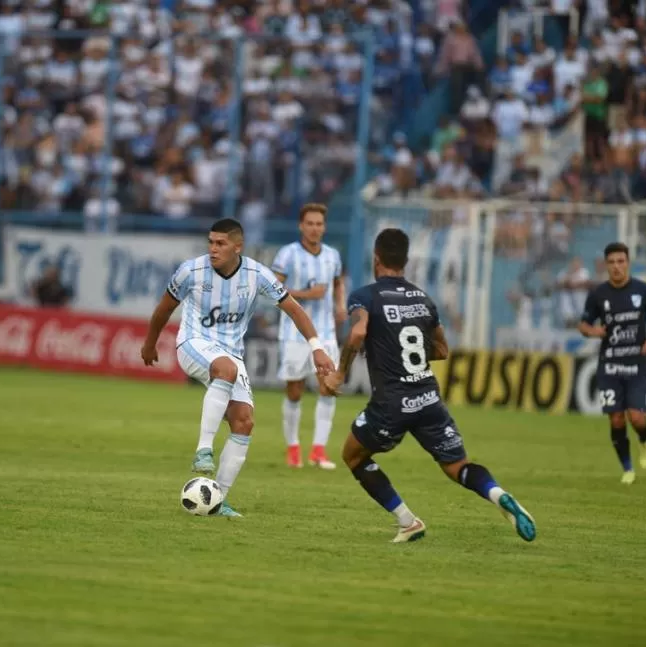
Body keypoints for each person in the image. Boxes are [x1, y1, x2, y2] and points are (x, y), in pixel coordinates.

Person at [321, 228, 536, 543]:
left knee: (353, 456)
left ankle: (407, 521)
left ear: (376, 258)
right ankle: (497, 493)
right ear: (405, 261)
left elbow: (357, 334)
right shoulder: (423, 299)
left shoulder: (365, 296)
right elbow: (442, 350)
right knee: (457, 466)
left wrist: (339, 374)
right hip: (428, 397)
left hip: (391, 402)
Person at [142, 218, 335, 518]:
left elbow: (295, 309)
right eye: (210, 242)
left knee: (244, 422)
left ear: (237, 246)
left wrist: (317, 349)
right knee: (226, 370)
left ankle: (218, 499)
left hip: (231, 354)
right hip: (193, 343)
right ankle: (203, 451)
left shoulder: (257, 275)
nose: (213, 249)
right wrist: (150, 344)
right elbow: (163, 309)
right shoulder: (190, 271)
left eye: (220, 243)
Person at [578, 242, 646, 485]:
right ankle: (627, 468)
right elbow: (583, 324)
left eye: (621, 261)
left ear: (628, 263)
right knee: (616, 419)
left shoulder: (644, 291)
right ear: (606, 265)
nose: (616, 267)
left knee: (637, 418)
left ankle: (645, 441)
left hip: (637, 365)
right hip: (609, 366)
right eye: (612, 262)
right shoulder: (598, 295)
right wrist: (594, 331)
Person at [271, 203, 346, 469]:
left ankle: (318, 450)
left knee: (329, 387)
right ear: (301, 226)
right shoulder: (287, 254)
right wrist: (304, 293)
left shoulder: (332, 256)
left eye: (319, 224)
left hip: (325, 331)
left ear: (324, 227)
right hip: (293, 332)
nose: (315, 228)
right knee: (294, 390)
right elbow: (273, 290)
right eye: (310, 223)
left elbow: (337, 283)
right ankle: (293, 448)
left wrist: (340, 305)